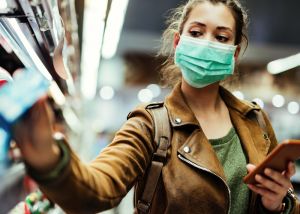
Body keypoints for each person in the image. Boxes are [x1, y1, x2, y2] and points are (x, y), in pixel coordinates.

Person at [12, 0, 300, 213]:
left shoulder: (256, 121)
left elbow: (283, 201)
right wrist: (50, 160)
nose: (207, 43)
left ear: (234, 54)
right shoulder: (150, 125)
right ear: (177, 43)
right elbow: (98, 188)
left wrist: (279, 205)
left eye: (221, 37)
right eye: (196, 33)